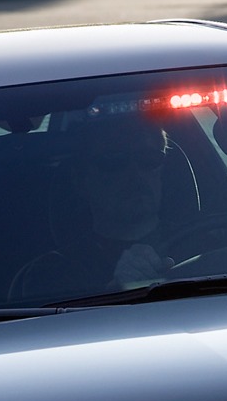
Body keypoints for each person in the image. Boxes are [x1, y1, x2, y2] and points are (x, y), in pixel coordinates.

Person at [10, 117, 195, 299]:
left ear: (162, 170)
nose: (135, 173)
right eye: (113, 161)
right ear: (81, 180)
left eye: (149, 159)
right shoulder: (53, 272)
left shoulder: (206, 242)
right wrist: (116, 291)